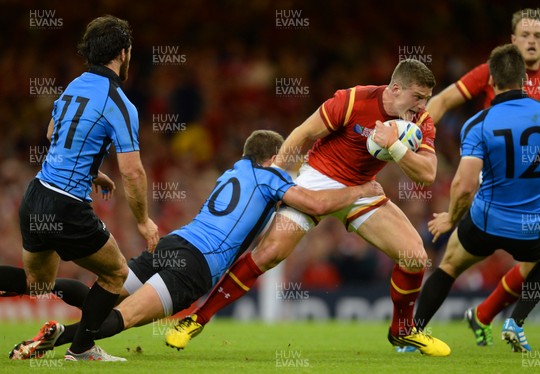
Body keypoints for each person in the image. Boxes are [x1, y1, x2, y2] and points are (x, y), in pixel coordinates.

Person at [9, 130, 385, 360]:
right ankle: (58, 336)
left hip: (174, 244)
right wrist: (362, 189)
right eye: (285, 161)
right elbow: (316, 204)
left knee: (106, 292)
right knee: (118, 319)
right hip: (197, 265)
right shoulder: (271, 178)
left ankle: (36, 288)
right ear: (272, 158)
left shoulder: (233, 171)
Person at [165, 59, 451, 356]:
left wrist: (396, 145)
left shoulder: (420, 121)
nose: (422, 105)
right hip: (318, 179)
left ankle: (402, 331)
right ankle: (195, 319)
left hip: (362, 190)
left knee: (415, 257)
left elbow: (427, 174)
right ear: (395, 89)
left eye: (427, 98)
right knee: (269, 253)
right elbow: (303, 134)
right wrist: (273, 177)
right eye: (418, 97)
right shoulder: (352, 99)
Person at [425, 8, 540, 348]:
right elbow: (444, 100)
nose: (531, 41)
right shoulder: (493, 72)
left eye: (538, 36)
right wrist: (422, 137)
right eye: (525, 35)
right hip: (498, 184)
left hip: (530, 186)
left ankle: (486, 315)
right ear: (513, 40)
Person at [0, 15, 160, 361]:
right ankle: (82, 348)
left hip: (37, 195)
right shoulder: (119, 102)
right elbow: (132, 172)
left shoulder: (74, 85)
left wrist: (91, 171)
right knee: (116, 273)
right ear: (123, 52)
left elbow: (51, 133)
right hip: (67, 205)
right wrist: (144, 221)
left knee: (36, 283)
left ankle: (81, 345)